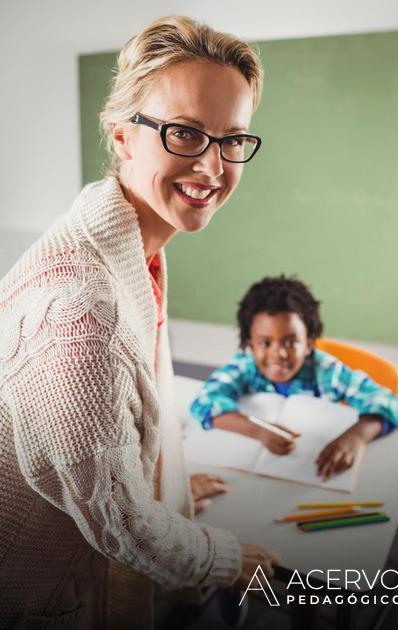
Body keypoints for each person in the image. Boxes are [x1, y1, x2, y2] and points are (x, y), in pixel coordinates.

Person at [0, 16, 279, 630]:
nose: (212, 167)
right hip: (36, 597)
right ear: (123, 137)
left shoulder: (127, 242)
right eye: (185, 133)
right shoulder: (81, 313)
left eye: (233, 139)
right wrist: (234, 560)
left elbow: (113, 424)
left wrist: (165, 483)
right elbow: (120, 524)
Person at [190, 275, 398, 480]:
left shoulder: (326, 371)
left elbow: (389, 403)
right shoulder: (245, 366)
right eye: (265, 343)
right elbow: (205, 400)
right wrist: (258, 431)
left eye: (290, 342)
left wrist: (356, 437)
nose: (279, 354)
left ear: (309, 343)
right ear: (250, 344)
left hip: (312, 469)